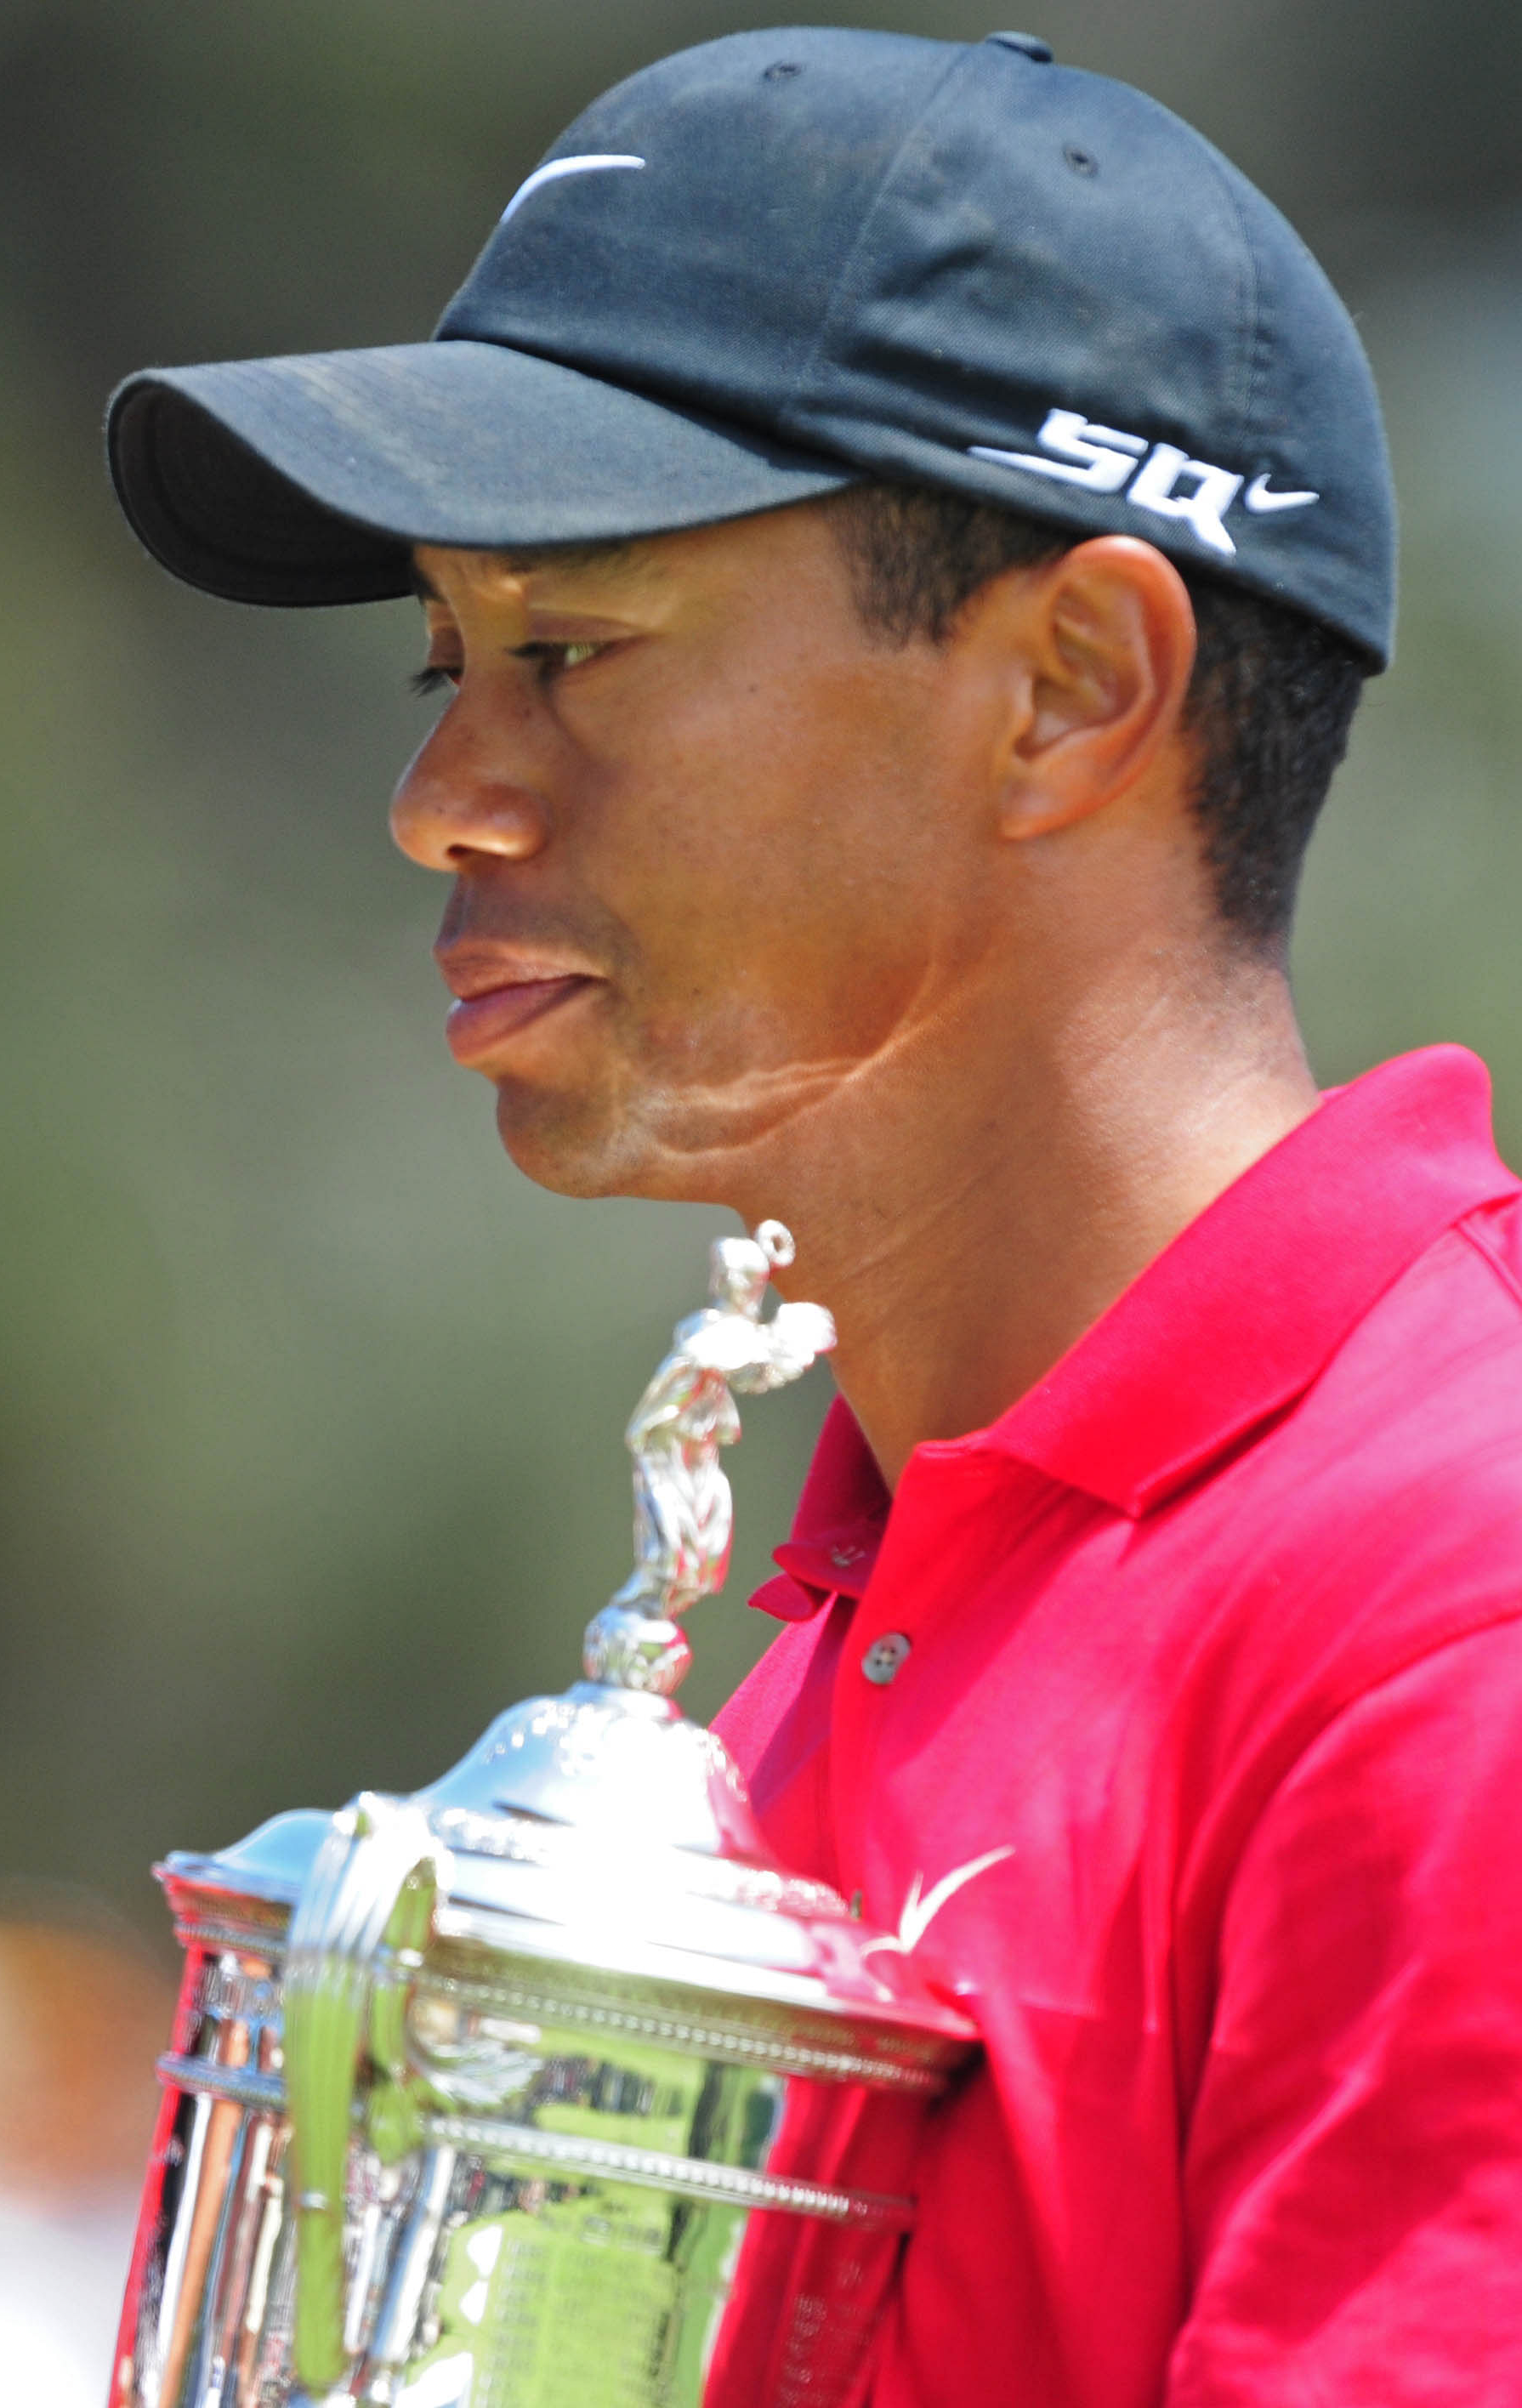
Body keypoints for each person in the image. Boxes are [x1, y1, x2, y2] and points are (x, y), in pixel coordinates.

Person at [106, 26, 1522, 2405]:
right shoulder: (796, 1681)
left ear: (1071, 688)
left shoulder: (1447, 1611)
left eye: (571, 651)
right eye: (444, 658)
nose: (438, 795)